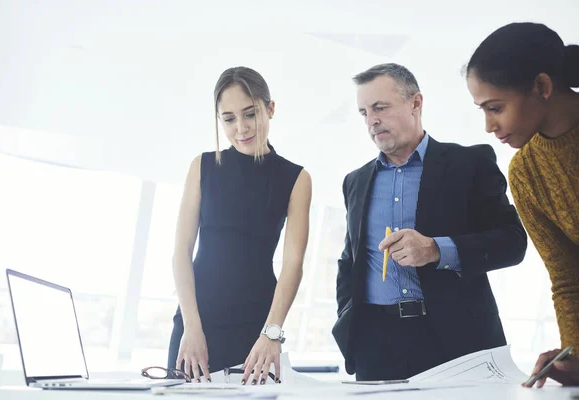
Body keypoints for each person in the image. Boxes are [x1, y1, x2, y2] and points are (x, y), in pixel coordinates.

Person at [332, 63, 527, 381]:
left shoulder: (471, 163)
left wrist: (436, 249)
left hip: (455, 344)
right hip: (374, 346)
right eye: (364, 112)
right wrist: (348, 319)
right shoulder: (354, 181)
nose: (372, 120)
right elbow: (349, 262)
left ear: (416, 103)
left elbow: (512, 243)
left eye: (380, 107)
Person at [167, 66, 312, 385]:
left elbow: (293, 264)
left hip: (257, 329)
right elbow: (181, 252)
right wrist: (192, 326)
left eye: (250, 114)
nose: (241, 128)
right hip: (196, 322)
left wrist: (271, 333)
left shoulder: (296, 178)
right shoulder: (202, 167)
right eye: (229, 118)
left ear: (270, 109)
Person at [465, 22, 579, 387]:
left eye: (495, 107)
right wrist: (574, 352)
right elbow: (566, 278)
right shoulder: (526, 173)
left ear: (542, 87)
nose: (488, 125)